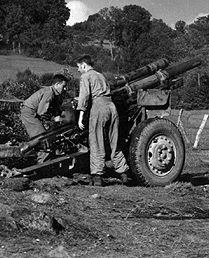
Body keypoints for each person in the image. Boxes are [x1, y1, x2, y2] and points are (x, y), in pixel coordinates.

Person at [76, 55, 130, 186]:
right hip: (111, 107)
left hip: (99, 107)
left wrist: (81, 116)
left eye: (78, 67)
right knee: (114, 141)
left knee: (96, 141)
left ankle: (97, 176)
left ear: (84, 65)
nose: (78, 70)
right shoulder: (101, 75)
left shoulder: (85, 76)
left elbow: (85, 96)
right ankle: (123, 173)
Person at [20, 74, 68, 139]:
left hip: (32, 112)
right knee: (41, 137)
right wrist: (54, 118)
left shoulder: (54, 94)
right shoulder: (49, 93)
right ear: (56, 84)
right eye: (63, 86)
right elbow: (42, 112)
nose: (65, 89)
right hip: (29, 113)